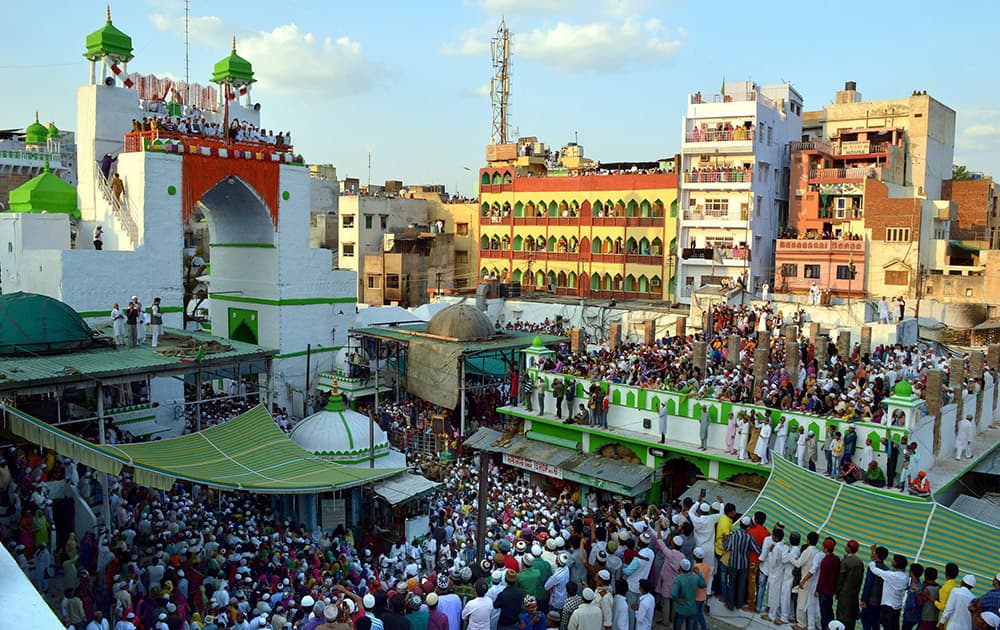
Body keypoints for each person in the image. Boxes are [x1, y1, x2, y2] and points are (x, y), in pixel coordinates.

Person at [866, 547, 910, 630]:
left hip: (887, 606)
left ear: (896, 563)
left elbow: (875, 570)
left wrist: (873, 558)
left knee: (887, 627)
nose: (892, 561)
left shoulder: (891, 575)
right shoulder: (905, 576)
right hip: (897, 606)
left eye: (894, 560)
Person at [836, 540, 865, 630]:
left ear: (849, 548)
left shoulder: (845, 561)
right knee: (852, 615)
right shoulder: (859, 562)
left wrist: (837, 592)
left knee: (842, 615)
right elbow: (860, 579)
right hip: (854, 592)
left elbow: (840, 578)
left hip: (844, 593)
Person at [817, 538, 842, 630]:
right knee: (829, 612)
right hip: (831, 590)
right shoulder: (836, 559)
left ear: (826, 549)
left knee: (824, 614)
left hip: (824, 590)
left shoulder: (825, 562)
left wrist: (817, 590)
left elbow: (822, 578)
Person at [672, 561, 704, 630]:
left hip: (681, 608)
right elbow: (703, 584)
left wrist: (677, 600)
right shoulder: (695, 577)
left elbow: (674, 594)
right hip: (692, 608)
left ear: (681, 567)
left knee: (677, 627)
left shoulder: (678, 578)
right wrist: (698, 573)